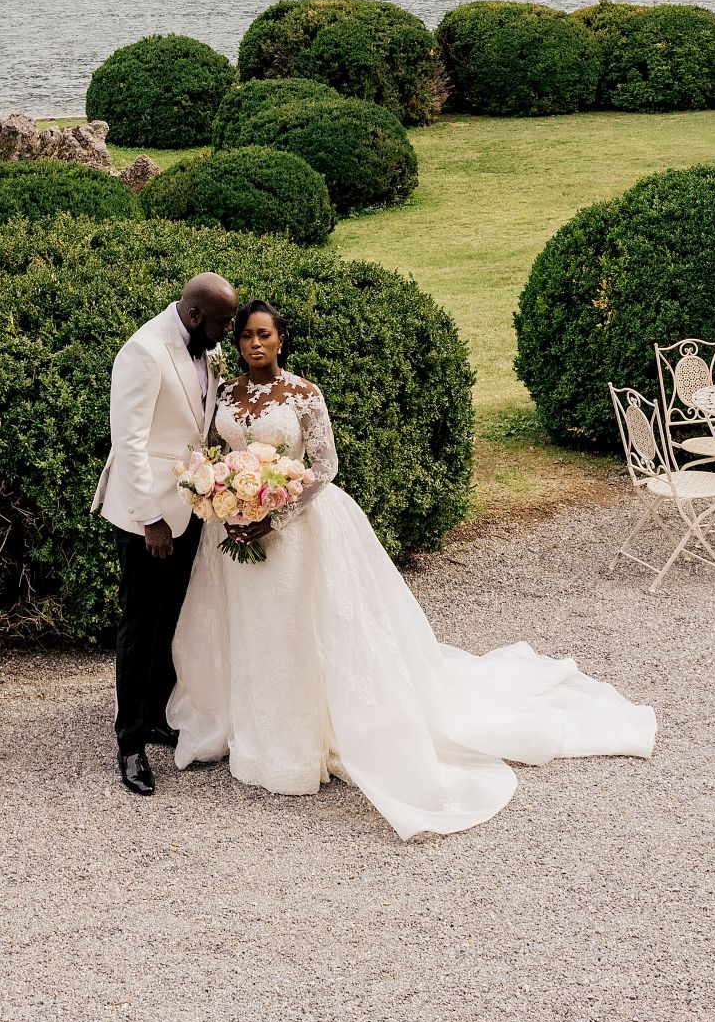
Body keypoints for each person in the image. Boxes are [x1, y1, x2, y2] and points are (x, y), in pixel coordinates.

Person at [168, 299, 657, 838]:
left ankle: (296, 745)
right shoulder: (227, 393)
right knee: (250, 628)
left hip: (293, 533)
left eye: (264, 335)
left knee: (293, 632)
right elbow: (214, 455)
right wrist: (224, 500)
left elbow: (325, 466)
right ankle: (249, 731)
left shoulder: (304, 394)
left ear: (281, 340)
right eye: (245, 336)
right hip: (233, 529)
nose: (254, 344)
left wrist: (273, 514)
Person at [95, 272, 239, 796]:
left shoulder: (202, 347)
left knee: (170, 621)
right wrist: (150, 518)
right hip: (147, 518)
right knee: (139, 626)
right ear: (196, 314)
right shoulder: (143, 352)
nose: (230, 331)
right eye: (224, 321)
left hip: (190, 508)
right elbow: (128, 444)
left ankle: (155, 715)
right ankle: (129, 744)